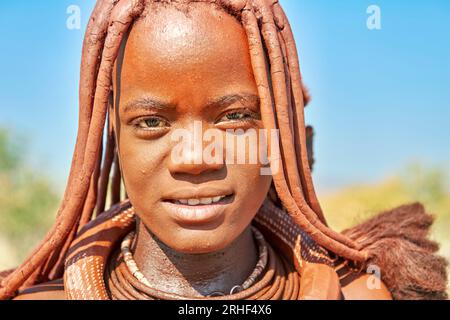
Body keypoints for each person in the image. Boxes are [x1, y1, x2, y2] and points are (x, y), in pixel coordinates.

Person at [1, 0, 447, 300]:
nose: (195, 157)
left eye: (235, 118)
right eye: (152, 123)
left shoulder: (361, 293)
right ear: (115, 142)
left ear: (289, 144)